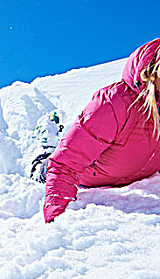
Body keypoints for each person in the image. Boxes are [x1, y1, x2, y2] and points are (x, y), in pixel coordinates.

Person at [43, 38, 160, 223]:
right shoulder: (116, 102)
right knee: (45, 165)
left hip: (129, 172)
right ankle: (47, 142)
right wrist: (56, 220)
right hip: (86, 176)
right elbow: (65, 164)